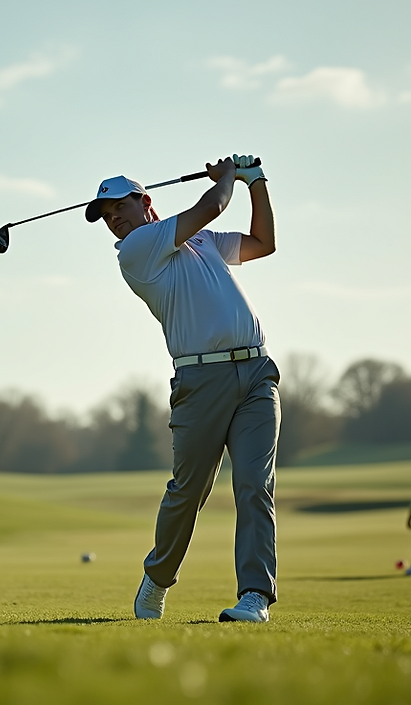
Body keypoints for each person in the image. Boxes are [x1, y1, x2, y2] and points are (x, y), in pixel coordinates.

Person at [85, 155, 278, 623]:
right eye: (107, 218)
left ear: (145, 200)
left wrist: (257, 184)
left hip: (256, 373)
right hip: (200, 380)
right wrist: (229, 178)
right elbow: (213, 205)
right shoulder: (136, 249)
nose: (115, 222)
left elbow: (262, 244)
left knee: (254, 485)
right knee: (189, 490)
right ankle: (158, 578)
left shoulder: (203, 243)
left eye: (119, 209)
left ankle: (255, 595)